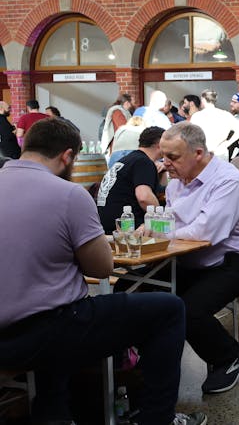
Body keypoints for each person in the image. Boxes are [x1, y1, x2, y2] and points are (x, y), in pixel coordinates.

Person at [0, 118, 204, 425]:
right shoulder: (69, 195)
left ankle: (53, 412)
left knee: (60, 305)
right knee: (169, 309)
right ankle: (156, 418)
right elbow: (101, 267)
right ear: (68, 156)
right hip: (42, 330)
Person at [160, 122, 239, 395]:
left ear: (198, 153)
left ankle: (229, 356)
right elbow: (170, 224)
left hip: (232, 262)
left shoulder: (228, 180)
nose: (165, 163)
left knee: (188, 309)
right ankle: (138, 363)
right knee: (134, 292)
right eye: (163, 156)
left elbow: (206, 233)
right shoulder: (176, 183)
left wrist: (161, 236)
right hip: (187, 259)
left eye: (173, 157)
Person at [97, 126, 165, 234]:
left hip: (106, 226)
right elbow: (144, 197)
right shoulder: (143, 162)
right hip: (127, 227)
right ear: (160, 145)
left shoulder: (127, 160)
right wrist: (162, 217)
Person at [191, 89, 239, 158]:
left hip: (204, 152)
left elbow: (192, 135)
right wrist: (226, 143)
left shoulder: (197, 116)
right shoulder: (226, 115)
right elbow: (237, 132)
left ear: (203, 99)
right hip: (221, 151)